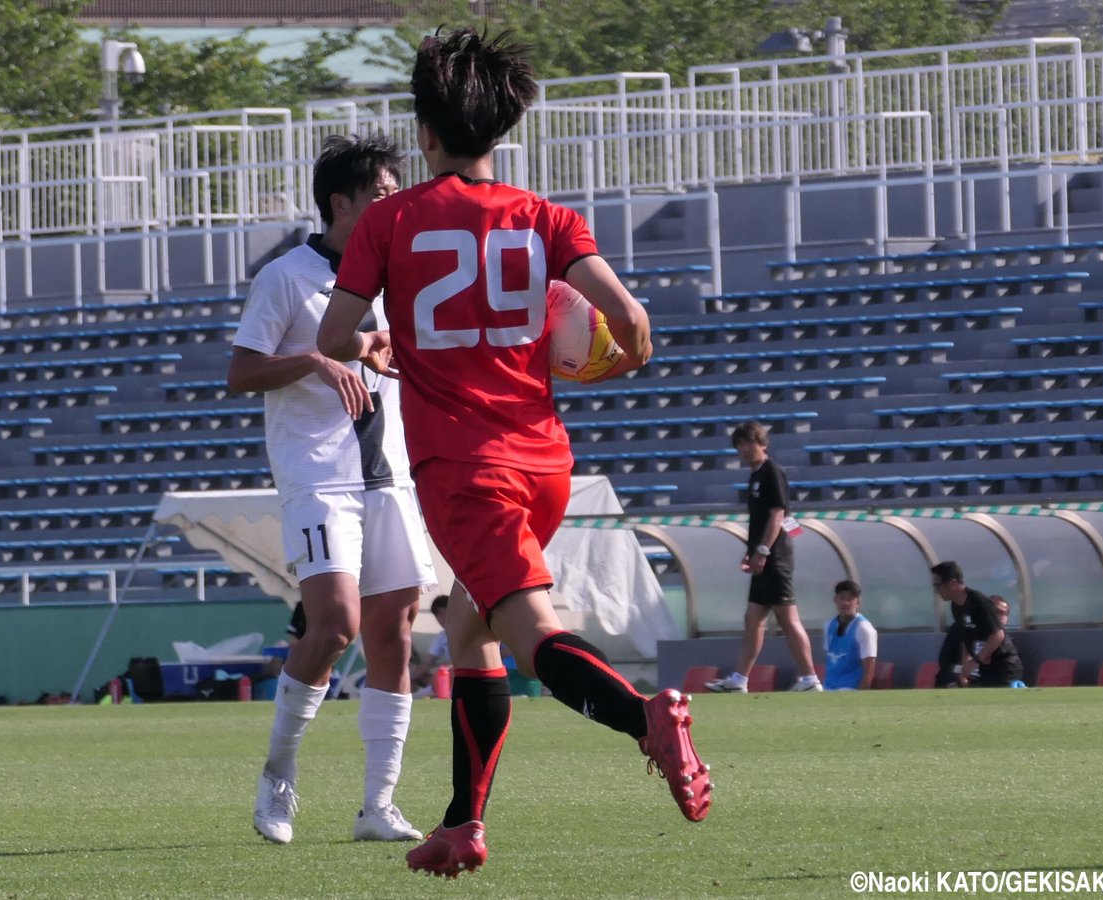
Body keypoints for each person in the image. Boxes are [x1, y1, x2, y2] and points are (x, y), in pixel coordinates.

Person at [316, 27, 712, 878]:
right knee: (469, 627)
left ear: (425, 131)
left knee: (529, 631)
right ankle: (462, 823)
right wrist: (615, 357)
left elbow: (333, 333)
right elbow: (634, 327)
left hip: (464, 469)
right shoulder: (548, 218)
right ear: (501, 131)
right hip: (543, 462)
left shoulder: (388, 220)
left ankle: (645, 717)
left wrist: (376, 347)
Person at [227, 133, 437, 846]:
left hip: (390, 475)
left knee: (395, 633)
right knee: (334, 625)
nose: (394, 208)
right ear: (339, 204)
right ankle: (278, 775)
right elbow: (242, 372)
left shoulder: (399, 277)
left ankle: (378, 804)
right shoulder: (285, 276)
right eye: (381, 197)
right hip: (320, 475)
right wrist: (317, 357)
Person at [706, 420, 822, 693]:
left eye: (749, 443)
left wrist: (763, 551)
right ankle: (739, 680)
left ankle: (810, 678)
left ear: (763, 444)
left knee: (788, 618)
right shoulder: (756, 475)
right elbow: (764, 519)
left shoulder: (772, 472)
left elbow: (778, 514)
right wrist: (751, 553)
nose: (745, 449)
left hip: (775, 558)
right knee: (753, 618)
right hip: (764, 559)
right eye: (740, 445)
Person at [930, 561, 1024, 688]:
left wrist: (975, 661)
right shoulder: (956, 606)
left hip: (1005, 665)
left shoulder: (979, 602)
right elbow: (966, 639)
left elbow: (998, 635)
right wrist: (965, 667)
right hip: (985, 667)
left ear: (953, 583)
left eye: (938, 585)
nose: (937, 590)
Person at [822, 580, 878, 691]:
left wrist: (859, 699)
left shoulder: (864, 629)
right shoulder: (829, 625)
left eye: (850, 599)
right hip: (828, 686)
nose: (845, 603)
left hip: (849, 688)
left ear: (858, 602)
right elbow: (830, 660)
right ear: (835, 600)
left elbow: (869, 671)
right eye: (842, 598)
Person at [410, 593, 451, 697]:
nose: (441, 618)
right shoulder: (441, 637)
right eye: (438, 616)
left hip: (462, 671)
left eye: (443, 613)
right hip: (444, 673)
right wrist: (410, 678)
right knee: (422, 676)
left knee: (443, 673)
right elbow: (428, 662)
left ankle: (429, 692)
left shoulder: (467, 631)